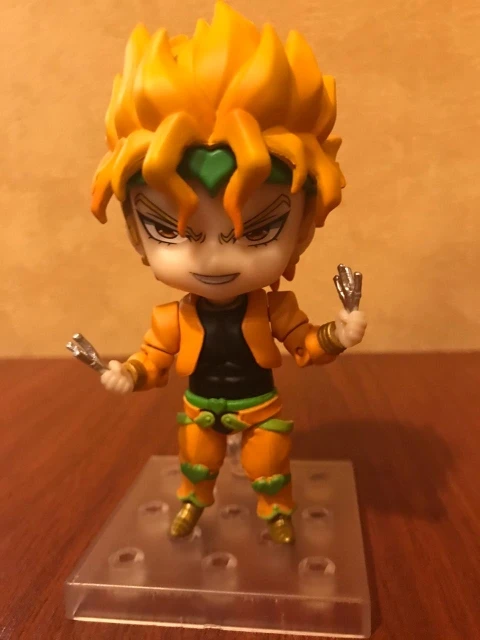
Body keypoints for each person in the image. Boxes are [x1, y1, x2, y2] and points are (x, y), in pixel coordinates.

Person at [91, 1, 367, 544]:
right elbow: (154, 360)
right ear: (137, 235)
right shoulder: (172, 318)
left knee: (269, 463)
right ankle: (193, 505)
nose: (216, 258)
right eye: (169, 229)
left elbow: (306, 345)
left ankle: (277, 512)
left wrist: (341, 332)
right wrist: (129, 374)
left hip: (259, 407)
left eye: (258, 231)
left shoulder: (274, 309)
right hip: (200, 408)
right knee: (196, 461)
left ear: (301, 228)